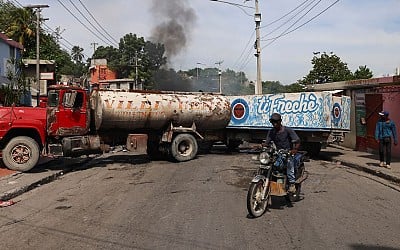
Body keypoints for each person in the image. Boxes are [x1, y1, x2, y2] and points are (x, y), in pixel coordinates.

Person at [264, 113, 301, 193]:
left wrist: (294, 150)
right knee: (268, 163)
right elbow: (267, 142)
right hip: (277, 153)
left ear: (280, 121)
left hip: (288, 153)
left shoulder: (288, 130)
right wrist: (261, 146)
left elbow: (297, 141)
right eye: (272, 121)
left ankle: (292, 184)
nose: (274, 123)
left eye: (276, 121)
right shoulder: (271, 131)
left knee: (289, 164)